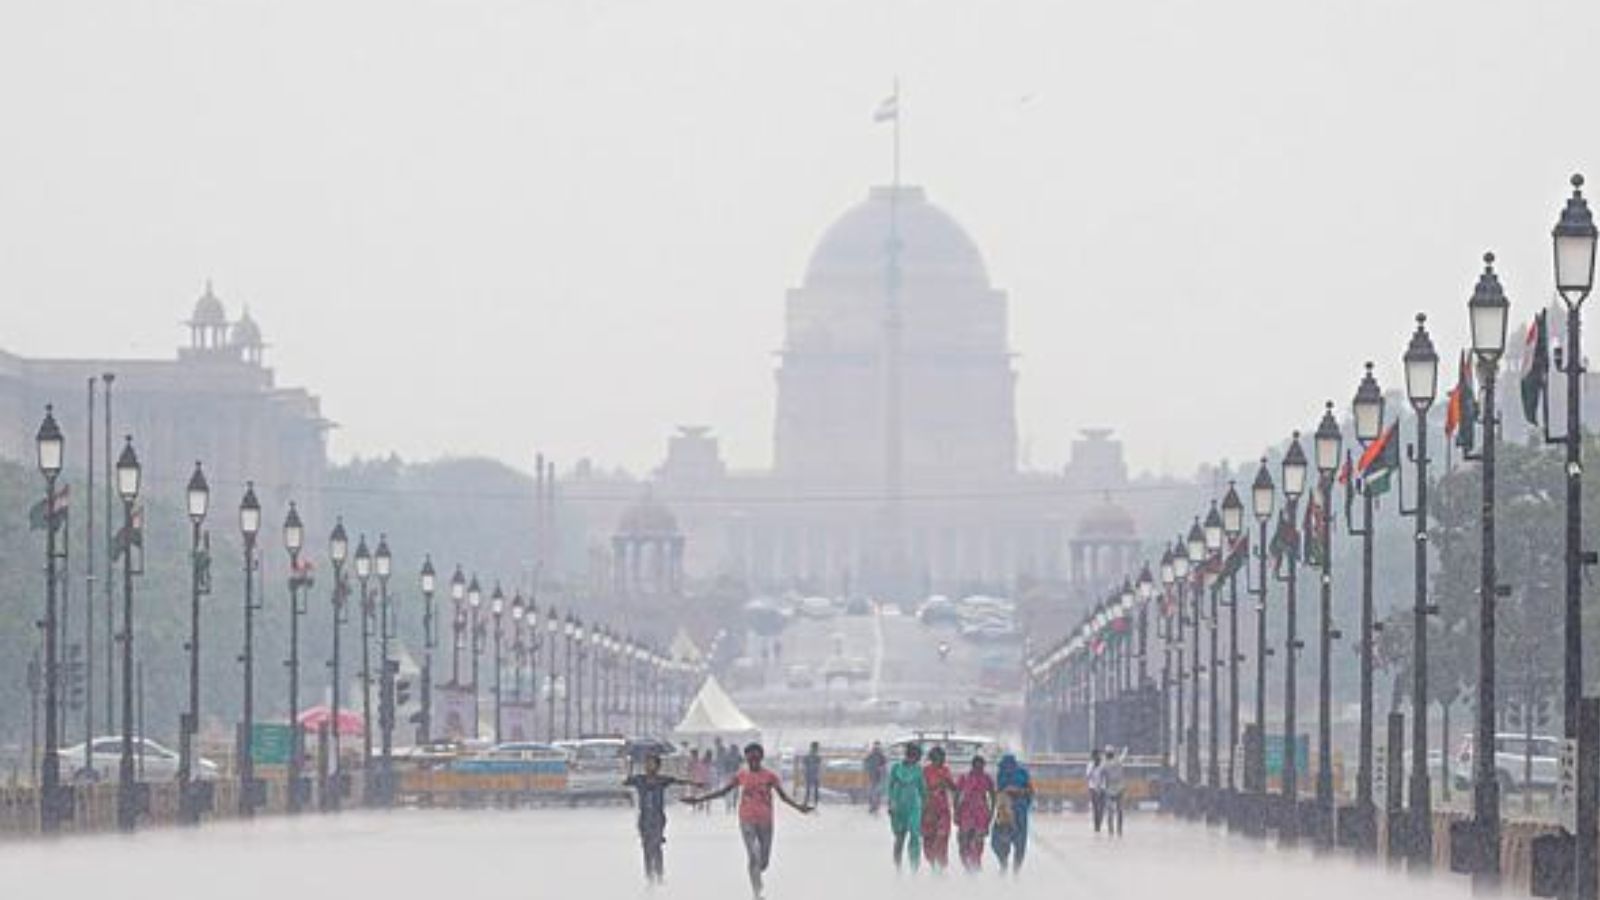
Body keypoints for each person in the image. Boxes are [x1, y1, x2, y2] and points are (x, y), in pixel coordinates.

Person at [682, 742, 814, 900]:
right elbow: (723, 792)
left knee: (763, 862)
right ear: (746, 759)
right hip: (747, 821)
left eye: (756, 758)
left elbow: (783, 797)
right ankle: (757, 893)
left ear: (761, 758)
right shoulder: (741, 776)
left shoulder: (770, 777)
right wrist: (698, 800)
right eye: (750, 758)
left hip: (766, 822)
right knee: (753, 855)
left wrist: (799, 807)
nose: (753, 761)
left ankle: (757, 876)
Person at [623, 752, 704, 885]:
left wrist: (696, 784)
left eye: (651, 763)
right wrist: (628, 770)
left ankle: (659, 874)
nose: (648, 766)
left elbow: (679, 781)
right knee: (646, 847)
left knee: (656, 846)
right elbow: (625, 782)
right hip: (644, 818)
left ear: (657, 766)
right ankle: (649, 875)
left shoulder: (662, 780)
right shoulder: (639, 779)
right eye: (647, 763)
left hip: (658, 817)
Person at [991, 754, 1034, 873]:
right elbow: (1000, 790)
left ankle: (1013, 868)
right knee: (1004, 841)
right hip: (1007, 811)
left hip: (1016, 811)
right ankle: (1007, 865)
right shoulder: (1003, 774)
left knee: (1015, 841)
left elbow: (1029, 791)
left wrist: (1017, 792)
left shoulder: (1019, 773)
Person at [887, 743, 926, 871]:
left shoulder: (918, 770)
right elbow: (890, 786)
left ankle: (914, 868)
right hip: (898, 806)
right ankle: (897, 868)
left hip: (914, 806)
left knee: (915, 835)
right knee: (900, 837)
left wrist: (925, 807)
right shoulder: (896, 768)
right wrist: (891, 803)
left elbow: (922, 789)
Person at [954, 755, 995, 872]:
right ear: (973, 766)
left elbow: (992, 794)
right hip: (966, 812)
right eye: (977, 766)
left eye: (981, 767)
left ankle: (975, 864)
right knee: (964, 842)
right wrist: (956, 811)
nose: (979, 769)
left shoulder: (987, 778)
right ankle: (967, 864)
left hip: (981, 813)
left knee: (978, 841)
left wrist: (991, 811)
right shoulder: (965, 777)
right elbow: (957, 794)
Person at [920, 746, 957, 872]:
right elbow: (922, 789)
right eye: (940, 758)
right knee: (928, 838)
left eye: (943, 758)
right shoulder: (925, 771)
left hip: (943, 810)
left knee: (942, 837)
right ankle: (933, 864)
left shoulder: (945, 770)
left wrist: (948, 783)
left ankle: (941, 866)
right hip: (928, 809)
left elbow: (953, 788)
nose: (943, 761)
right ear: (933, 758)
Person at [1102, 746, 1126, 837]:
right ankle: (1119, 830)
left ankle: (1111, 831)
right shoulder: (1119, 761)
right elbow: (1123, 756)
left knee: (1110, 812)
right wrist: (1125, 750)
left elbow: (1101, 776)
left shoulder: (1104, 764)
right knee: (1119, 811)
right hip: (1119, 789)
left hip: (1110, 790)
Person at [1085, 748, 1107, 833]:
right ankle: (1096, 826)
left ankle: (1099, 823)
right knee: (1095, 808)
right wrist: (1093, 767)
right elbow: (1087, 776)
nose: (1098, 757)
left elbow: (1107, 774)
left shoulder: (1103, 764)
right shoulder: (1090, 765)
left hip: (1102, 788)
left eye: (1099, 755)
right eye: (1096, 755)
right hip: (1093, 788)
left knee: (1102, 808)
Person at [863, 741, 888, 814]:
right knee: (873, 793)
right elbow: (865, 763)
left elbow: (885, 766)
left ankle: (875, 807)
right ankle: (873, 806)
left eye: (878, 747)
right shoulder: (871, 755)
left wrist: (882, 771)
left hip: (878, 777)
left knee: (876, 793)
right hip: (872, 777)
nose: (876, 748)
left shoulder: (881, 756)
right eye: (875, 747)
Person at [690, 749, 715, 814]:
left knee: (699, 794)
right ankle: (704, 807)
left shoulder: (700, 763)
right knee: (704, 795)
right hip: (703, 781)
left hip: (700, 781)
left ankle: (701, 807)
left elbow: (694, 771)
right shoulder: (704, 763)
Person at [802, 741, 823, 807]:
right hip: (812, 774)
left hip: (811, 774)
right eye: (816, 747)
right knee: (812, 789)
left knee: (811, 789)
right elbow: (805, 764)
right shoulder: (815, 757)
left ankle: (811, 802)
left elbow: (805, 765)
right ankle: (812, 802)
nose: (816, 749)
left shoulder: (815, 757)